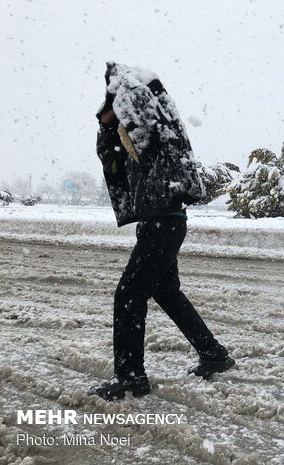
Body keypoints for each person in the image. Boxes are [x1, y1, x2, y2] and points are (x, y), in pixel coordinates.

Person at [89, 62, 234, 401]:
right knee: (166, 291)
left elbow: (134, 107)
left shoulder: (151, 125)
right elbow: (108, 140)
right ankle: (214, 355)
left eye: (114, 98)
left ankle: (131, 378)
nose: (110, 107)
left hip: (163, 222)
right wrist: (106, 117)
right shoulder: (140, 137)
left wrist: (119, 91)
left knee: (128, 295)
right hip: (161, 221)